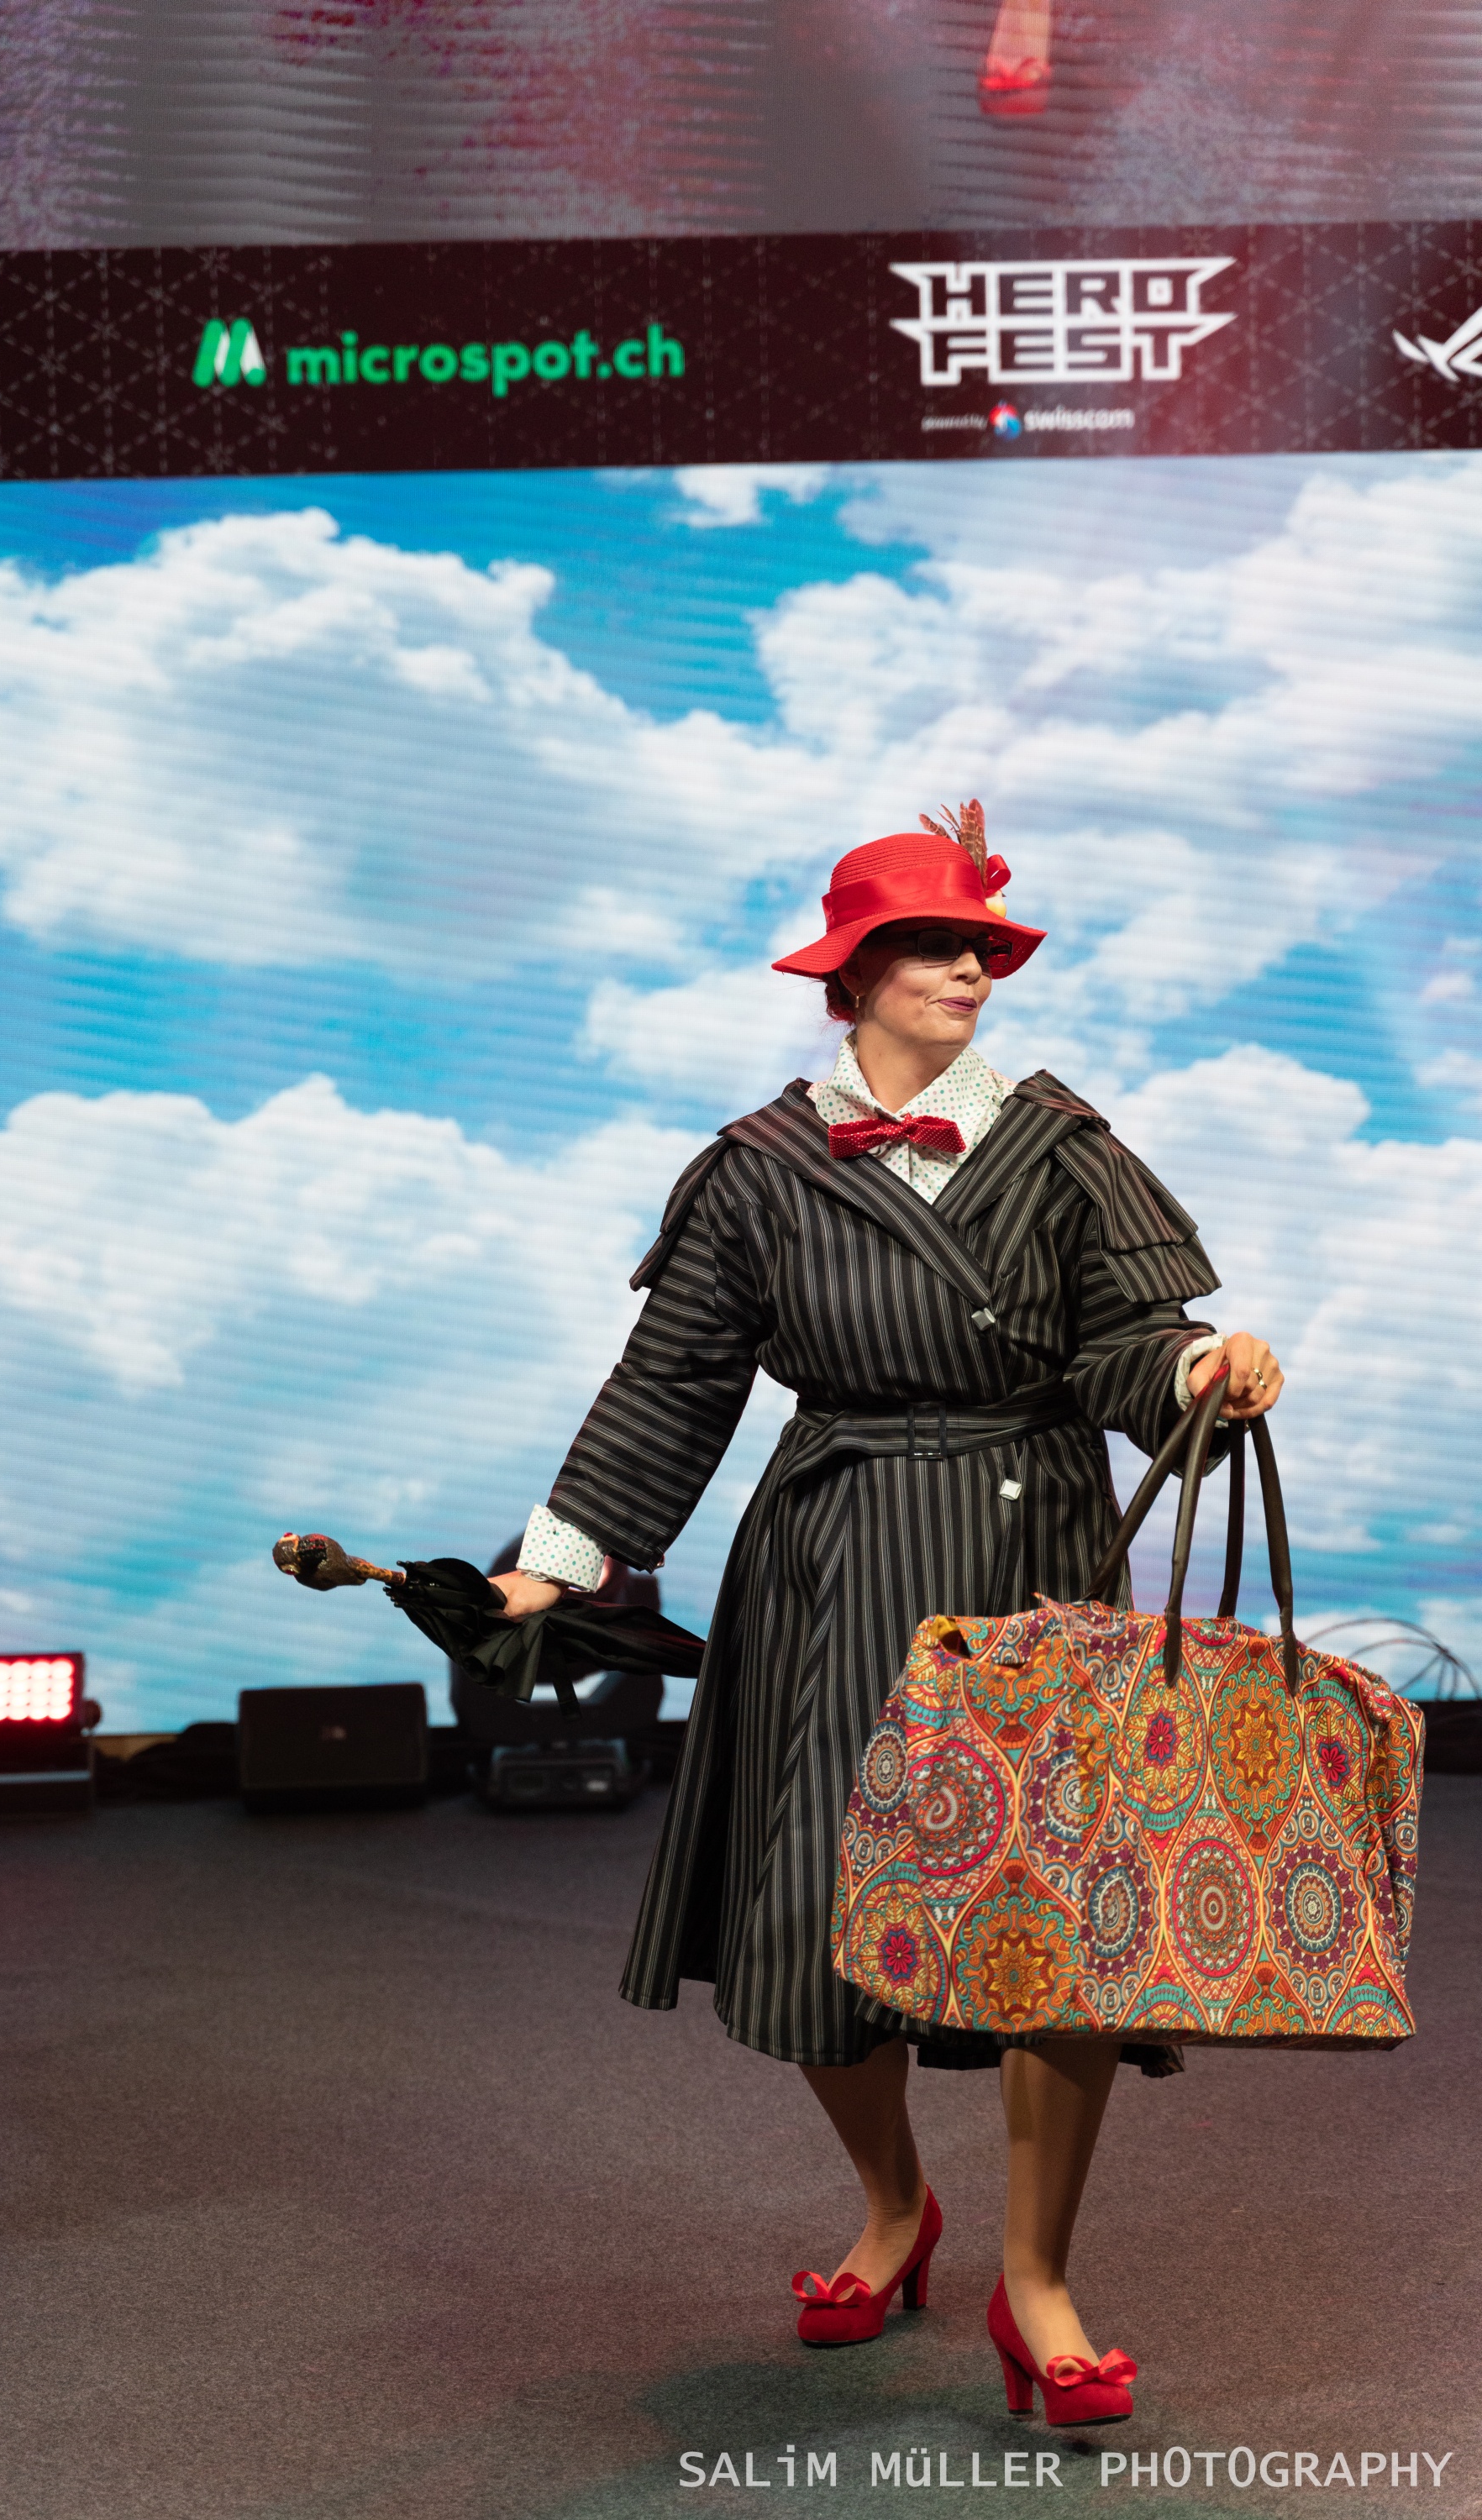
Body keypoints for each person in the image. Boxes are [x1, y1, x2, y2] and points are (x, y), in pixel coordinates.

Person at [490, 809, 1283, 2421]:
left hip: (1030, 1549)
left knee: (1051, 1914)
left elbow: (1128, 1339)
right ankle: (891, 2207)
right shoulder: (759, 1168)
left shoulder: (1059, 1143)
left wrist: (1198, 1365)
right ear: (844, 979)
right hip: (838, 1556)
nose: (965, 973)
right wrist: (553, 1567)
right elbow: (671, 1384)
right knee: (824, 1906)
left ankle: (1035, 2282)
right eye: (928, 947)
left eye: (978, 948)